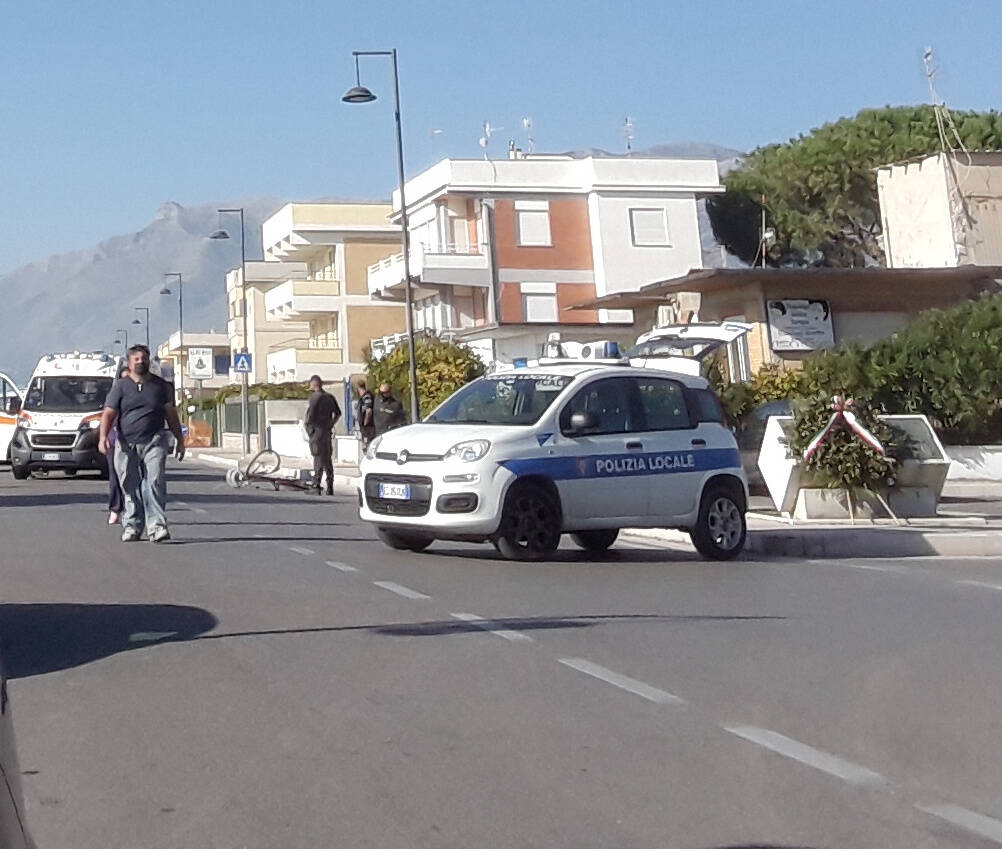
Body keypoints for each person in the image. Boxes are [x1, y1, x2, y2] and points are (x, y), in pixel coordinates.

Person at [98, 345, 185, 543]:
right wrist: (103, 438)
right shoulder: (120, 387)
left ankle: (157, 527)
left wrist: (180, 440)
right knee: (129, 484)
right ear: (129, 363)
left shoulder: (161, 386)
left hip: (155, 440)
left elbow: (171, 414)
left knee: (154, 481)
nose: (140, 361)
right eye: (136, 359)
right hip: (126, 443)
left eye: (143, 358)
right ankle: (132, 525)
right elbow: (109, 414)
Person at [304, 375, 341, 495]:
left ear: (314, 384)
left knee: (318, 458)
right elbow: (338, 413)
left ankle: (316, 484)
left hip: (317, 431)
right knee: (327, 459)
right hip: (326, 431)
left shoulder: (315, 397)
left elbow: (309, 417)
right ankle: (330, 486)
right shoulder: (330, 397)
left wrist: (310, 430)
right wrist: (331, 424)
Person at [106, 365, 130, 525]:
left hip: (135, 442)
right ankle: (116, 509)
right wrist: (103, 437)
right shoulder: (114, 396)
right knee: (115, 477)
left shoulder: (138, 396)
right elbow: (106, 417)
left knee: (133, 478)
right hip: (115, 440)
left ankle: (132, 510)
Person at [356, 379, 375, 448]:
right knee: (365, 445)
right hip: (365, 427)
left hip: (368, 427)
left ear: (358, 388)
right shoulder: (363, 397)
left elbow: (369, 411)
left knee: (368, 445)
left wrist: (365, 423)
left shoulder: (367, 396)